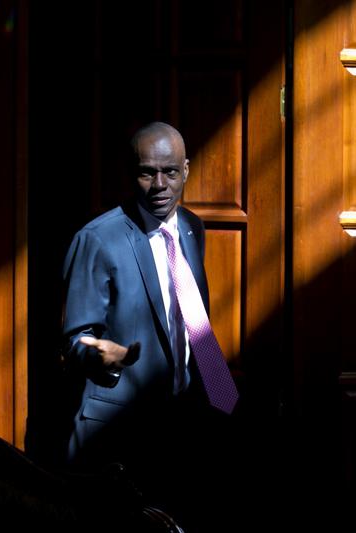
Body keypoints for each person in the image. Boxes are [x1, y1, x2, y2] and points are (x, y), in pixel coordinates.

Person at [60, 121, 240, 529]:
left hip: (184, 423)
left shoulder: (192, 228)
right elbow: (75, 341)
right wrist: (100, 356)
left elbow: (194, 319)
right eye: (147, 172)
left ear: (186, 170)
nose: (159, 184)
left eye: (170, 172)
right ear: (131, 174)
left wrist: (221, 394)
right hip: (121, 432)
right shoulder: (98, 239)